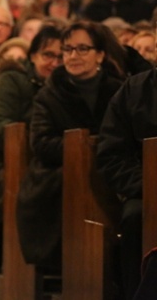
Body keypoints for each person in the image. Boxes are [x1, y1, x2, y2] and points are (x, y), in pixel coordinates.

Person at [16, 20, 127, 273]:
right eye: (68, 49)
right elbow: (42, 143)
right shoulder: (50, 93)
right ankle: (75, 268)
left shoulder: (118, 91)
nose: (73, 56)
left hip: (111, 170)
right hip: (56, 174)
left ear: (100, 54)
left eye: (82, 49)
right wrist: (85, 148)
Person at [0, 25, 63, 228]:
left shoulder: (63, 87)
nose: (54, 63)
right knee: (30, 193)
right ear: (33, 55)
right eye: (48, 55)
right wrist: (38, 143)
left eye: (60, 57)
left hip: (41, 163)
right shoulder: (12, 79)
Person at [96, 56, 157, 300]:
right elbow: (111, 155)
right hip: (147, 192)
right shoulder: (134, 90)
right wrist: (150, 185)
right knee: (134, 217)